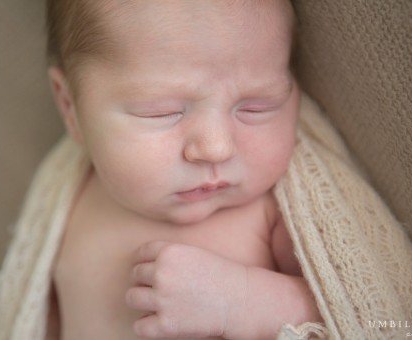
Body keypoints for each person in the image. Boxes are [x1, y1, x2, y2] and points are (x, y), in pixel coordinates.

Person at [43, 1, 319, 338]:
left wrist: (242, 301)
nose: (216, 148)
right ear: (70, 106)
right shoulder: (68, 200)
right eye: (161, 112)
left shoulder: (277, 213)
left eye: (257, 107)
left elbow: (361, 315)